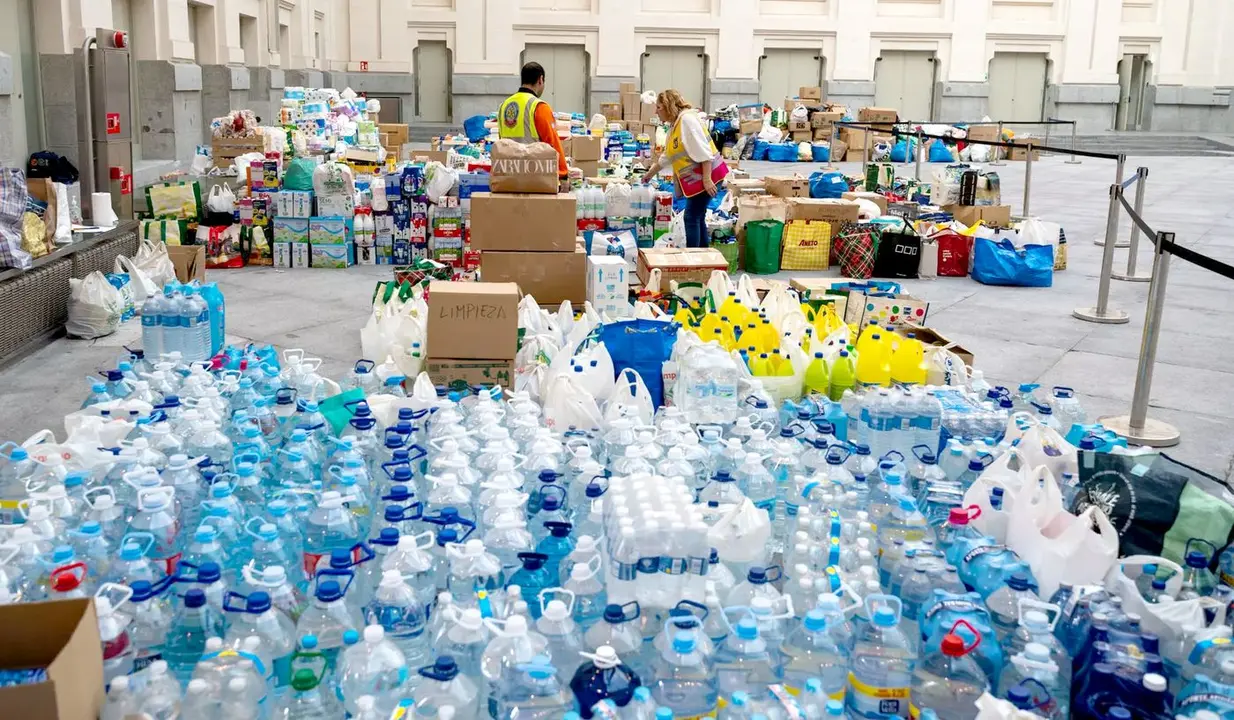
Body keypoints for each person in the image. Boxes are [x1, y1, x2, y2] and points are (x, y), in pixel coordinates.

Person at [642, 89, 728, 248]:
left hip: (709, 175)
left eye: (659, 107)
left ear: (669, 106)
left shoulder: (687, 120)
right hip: (699, 179)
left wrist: (707, 179)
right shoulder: (674, 126)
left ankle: (694, 256)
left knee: (691, 217)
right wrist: (648, 175)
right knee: (697, 216)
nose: (656, 111)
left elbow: (704, 152)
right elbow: (667, 157)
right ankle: (703, 254)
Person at [498, 62, 569, 190]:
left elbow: (501, 143)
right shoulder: (539, 106)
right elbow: (552, 144)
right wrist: (563, 173)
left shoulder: (504, 106)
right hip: (534, 176)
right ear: (540, 79)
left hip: (508, 176)